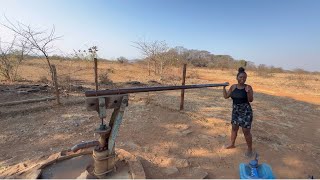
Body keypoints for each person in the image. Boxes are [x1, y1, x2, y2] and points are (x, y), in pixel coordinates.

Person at [223, 67, 254, 157]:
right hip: (236, 110)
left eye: (244, 78)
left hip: (246, 111)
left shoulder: (248, 87)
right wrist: (223, 87)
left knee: (246, 131)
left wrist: (248, 92)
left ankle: (250, 149)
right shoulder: (233, 87)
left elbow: (251, 100)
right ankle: (232, 144)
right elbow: (226, 96)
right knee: (234, 128)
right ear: (237, 78)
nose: (243, 79)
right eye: (241, 77)